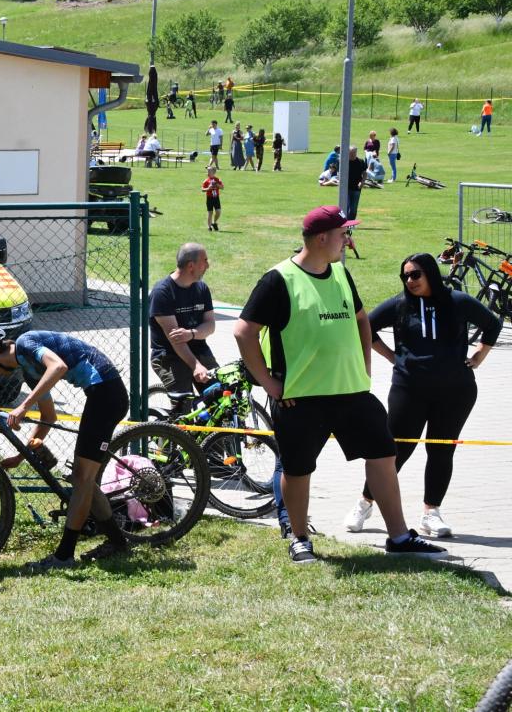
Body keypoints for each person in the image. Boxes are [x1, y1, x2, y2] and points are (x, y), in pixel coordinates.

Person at [233, 206, 448, 563]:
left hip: (351, 392)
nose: (347, 240)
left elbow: (362, 320)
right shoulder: (278, 279)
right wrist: (270, 383)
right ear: (322, 238)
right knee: (298, 469)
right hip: (300, 397)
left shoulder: (341, 273)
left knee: (384, 454)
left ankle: (399, 537)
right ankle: (299, 538)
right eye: (343, 233)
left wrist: (364, 367)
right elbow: (243, 332)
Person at [344, 253, 502, 539]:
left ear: (430, 273)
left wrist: (479, 355)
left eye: (415, 274)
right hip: (409, 389)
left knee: (441, 449)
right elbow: (364, 326)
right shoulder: (400, 304)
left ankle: (431, 512)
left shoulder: (457, 301)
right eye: (405, 276)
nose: (410, 281)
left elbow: (493, 324)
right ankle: (365, 502)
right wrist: (391, 356)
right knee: (395, 449)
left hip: (455, 391)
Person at [0, 323, 132, 569]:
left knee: (82, 479)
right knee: (84, 480)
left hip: (107, 394)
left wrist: (23, 406)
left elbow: (58, 367)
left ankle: (64, 556)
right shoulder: (28, 370)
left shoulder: (25, 342)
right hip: (99, 393)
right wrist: (20, 456)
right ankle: (118, 542)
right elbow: (48, 416)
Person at [149, 244, 216, 398]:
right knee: (184, 401)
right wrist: (196, 366)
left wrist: (191, 334)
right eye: (204, 261)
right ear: (191, 266)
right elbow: (176, 340)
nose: (208, 265)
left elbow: (210, 325)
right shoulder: (162, 293)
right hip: (168, 356)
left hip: (199, 350)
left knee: (220, 396)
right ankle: (172, 415)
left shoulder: (202, 288)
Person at [346, 146, 366, 219]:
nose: (352, 154)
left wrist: (362, 182)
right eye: (351, 153)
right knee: (346, 206)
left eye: (354, 153)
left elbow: (365, 173)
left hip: (356, 188)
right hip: (346, 188)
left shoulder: (361, 161)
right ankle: (345, 223)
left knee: (353, 208)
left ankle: (351, 223)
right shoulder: (344, 161)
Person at [202, 167, 224, 231]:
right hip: (209, 198)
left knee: (218, 212)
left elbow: (222, 187)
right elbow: (202, 189)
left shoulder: (217, 179)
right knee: (210, 212)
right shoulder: (206, 181)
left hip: (216, 198)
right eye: (207, 171)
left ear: (214, 172)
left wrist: (217, 185)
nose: (208, 172)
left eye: (209, 171)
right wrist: (208, 188)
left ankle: (214, 222)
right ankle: (209, 227)